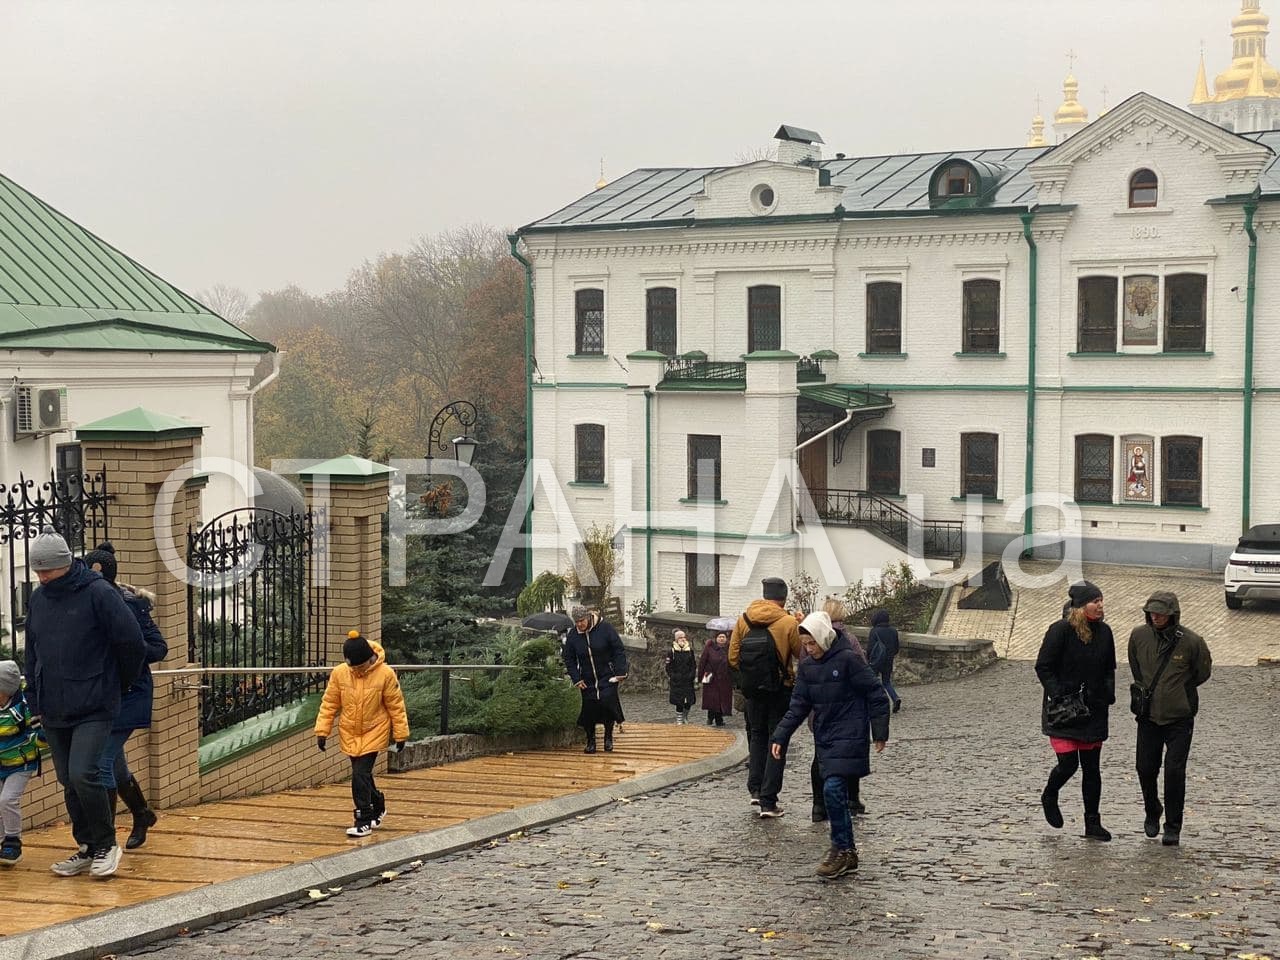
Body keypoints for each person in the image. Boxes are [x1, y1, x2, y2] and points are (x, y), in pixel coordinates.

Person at [23, 526, 145, 878]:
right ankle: (87, 846)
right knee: (67, 778)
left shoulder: (99, 593)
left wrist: (116, 685)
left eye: (47, 569)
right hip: (53, 704)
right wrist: (34, 697)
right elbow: (33, 651)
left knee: (84, 772)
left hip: (95, 703)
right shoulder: (39, 598)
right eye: (37, 570)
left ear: (64, 563)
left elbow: (131, 643)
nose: (42, 577)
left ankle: (107, 844)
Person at [770, 611, 890, 878]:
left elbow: (875, 693)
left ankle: (842, 848)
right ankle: (845, 849)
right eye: (805, 645)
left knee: (834, 788)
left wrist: (879, 731)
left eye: (813, 643)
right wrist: (781, 735)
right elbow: (798, 706)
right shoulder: (809, 668)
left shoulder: (848, 659)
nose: (809, 649)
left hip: (851, 732)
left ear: (824, 637)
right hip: (825, 735)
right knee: (832, 792)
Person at [84, 542, 168, 849]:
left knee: (102, 762)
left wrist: (129, 645)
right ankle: (142, 813)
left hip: (130, 694)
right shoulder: (84, 604)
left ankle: (102, 841)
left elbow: (158, 648)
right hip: (101, 694)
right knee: (115, 765)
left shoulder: (131, 605)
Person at [1034, 580, 1116, 842]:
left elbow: (1108, 668)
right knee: (1068, 764)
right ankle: (1050, 794)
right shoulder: (1060, 631)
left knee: (1092, 769)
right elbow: (1043, 666)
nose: (1100, 605)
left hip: (1093, 710)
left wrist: (1106, 694)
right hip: (1064, 710)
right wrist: (1058, 692)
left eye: (1102, 600)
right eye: (1095, 601)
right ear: (1081, 607)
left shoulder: (1105, 632)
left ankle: (1092, 823)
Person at [1127, 592, 1212, 846]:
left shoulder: (1192, 642)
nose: (1156, 616)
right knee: (1145, 768)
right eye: (1152, 612)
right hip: (1149, 716)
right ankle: (1152, 808)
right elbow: (1136, 667)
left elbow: (1202, 672)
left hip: (1179, 718)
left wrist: (1179, 691)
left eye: (1161, 613)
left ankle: (1173, 826)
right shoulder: (1138, 636)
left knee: (1174, 772)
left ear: (1173, 614)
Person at [315, 630, 409, 838]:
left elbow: (396, 706)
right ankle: (378, 804)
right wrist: (322, 730)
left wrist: (400, 734)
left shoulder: (385, 674)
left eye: (359, 665)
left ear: (369, 659)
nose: (356, 669)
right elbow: (330, 703)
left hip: (375, 730)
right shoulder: (340, 673)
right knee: (363, 776)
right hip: (350, 730)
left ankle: (363, 819)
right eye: (352, 666)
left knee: (359, 775)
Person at [729, 577, 803, 818]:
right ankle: (769, 801)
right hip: (780, 689)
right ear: (783, 598)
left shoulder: (744, 619)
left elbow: (732, 657)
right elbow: (801, 653)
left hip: (753, 691)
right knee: (777, 740)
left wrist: (750, 675)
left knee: (757, 736)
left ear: (763, 595)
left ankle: (755, 789)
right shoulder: (788, 621)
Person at [810, 599, 868, 821]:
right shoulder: (848, 639)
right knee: (849, 753)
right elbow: (862, 669)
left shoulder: (811, 640)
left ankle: (818, 805)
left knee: (820, 756)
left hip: (819, 709)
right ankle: (851, 799)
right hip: (845, 710)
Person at [562, 606, 627, 754]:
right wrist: (576, 679)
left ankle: (608, 737)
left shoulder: (605, 628)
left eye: (582, 621)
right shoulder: (573, 635)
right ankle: (591, 741)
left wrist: (620, 671)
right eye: (576, 622)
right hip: (587, 678)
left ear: (589, 617)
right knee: (589, 709)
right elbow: (569, 658)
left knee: (607, 704)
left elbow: (618, 649)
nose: (579, 624)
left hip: (607, 674)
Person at [0, 660, 46, 867]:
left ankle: (12, 842)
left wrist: (38, 740)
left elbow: (38, 732)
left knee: (8, 799)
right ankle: (2, 842)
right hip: (2, 764)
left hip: (21, 764)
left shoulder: (24, 706)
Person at [867, 608, 902, 714]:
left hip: (876, 661)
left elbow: (870, 648)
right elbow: (896, 647)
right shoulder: (893, 631)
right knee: (886, 682)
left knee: (873, 682)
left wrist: (869, 659)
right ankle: (895, 698)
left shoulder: (874, 631)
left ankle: (875, 703)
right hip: (888, 660)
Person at [697, 631, 732, 726]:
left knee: (721, 699)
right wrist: (700, 677)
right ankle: (710, 717)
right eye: (720, 637)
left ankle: (719, 719)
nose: (722, 638)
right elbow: (702, 662)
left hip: (724, 677)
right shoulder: (709, 647)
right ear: (716, 638)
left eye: (723, 637)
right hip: (709, 676)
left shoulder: (729, 649)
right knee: (711, 699)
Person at [665, 630, 697, 725]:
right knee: (679, 701)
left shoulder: (690, 651)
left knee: (689, 701)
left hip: (688, 680)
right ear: (676, 639)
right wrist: (674, 676)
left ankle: (685, 716)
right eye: (680, 637)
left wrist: (692, 674)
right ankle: (679, 719)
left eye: (684, 637)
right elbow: (668, 667)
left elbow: (693, 664)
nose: (683, 639)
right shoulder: (672, 652)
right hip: (677, 681)